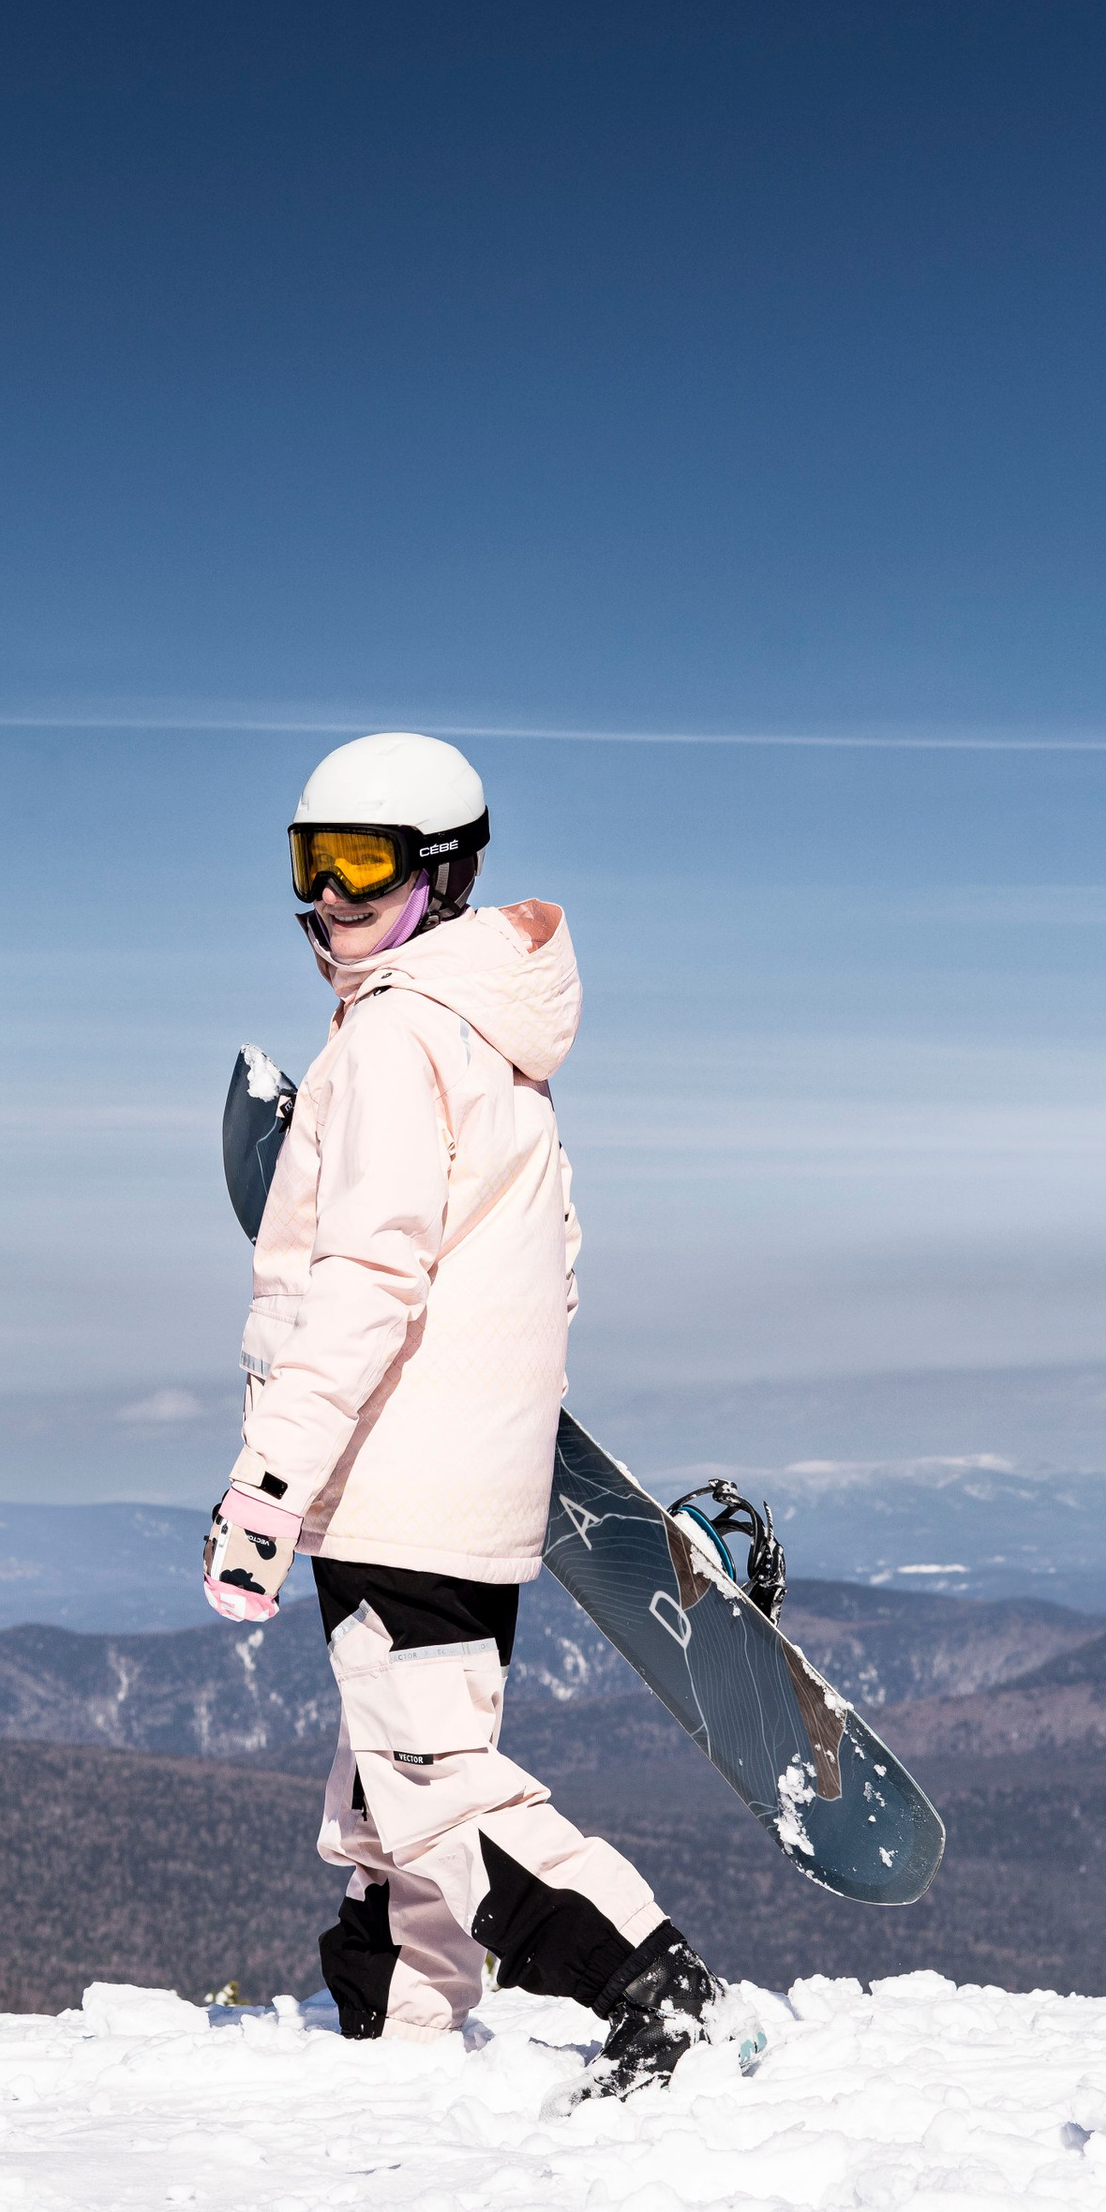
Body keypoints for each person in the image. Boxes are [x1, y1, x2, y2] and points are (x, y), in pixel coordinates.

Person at [201, 731, 719, 2095]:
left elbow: (365, 1283)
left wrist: (267, 1486)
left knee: (430, 1781)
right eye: (312, 864)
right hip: (460, 1485)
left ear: (439, 875)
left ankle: (654, 1985)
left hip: (397, 1481)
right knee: (399, 1763)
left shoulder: (394, 1041)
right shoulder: (495, 1049)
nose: (331, 897)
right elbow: (553, 1263)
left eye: (363, 864)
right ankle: (402, 2010)